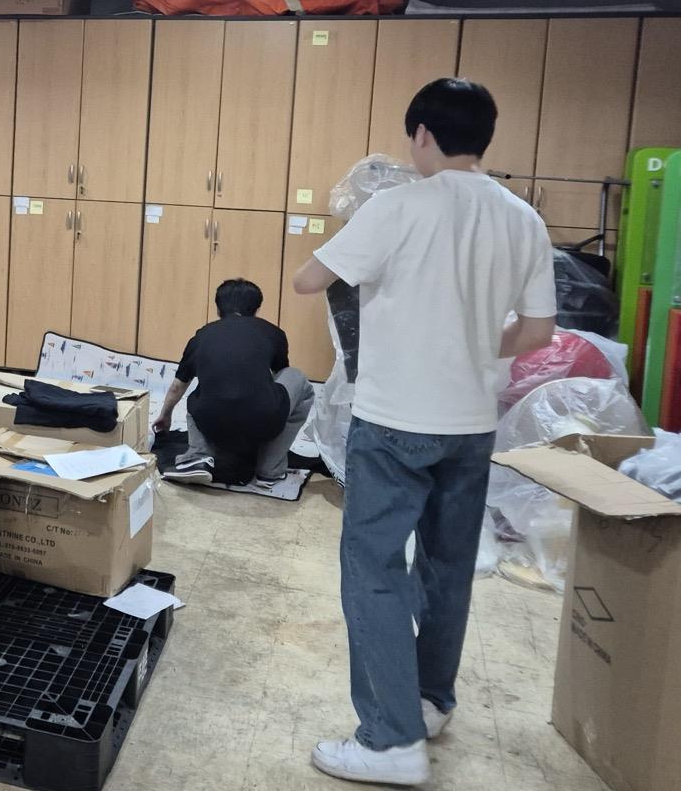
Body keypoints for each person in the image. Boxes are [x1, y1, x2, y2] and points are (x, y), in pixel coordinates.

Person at [292, 78, 556, 786]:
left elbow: (308, 280)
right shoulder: (523, 219)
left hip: (395, 421)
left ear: (422, 135)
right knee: (446, 566)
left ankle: (389, 742)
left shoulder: (397, 205)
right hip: (472, 425)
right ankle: (430, 704)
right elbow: (538, 331)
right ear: (484, 137)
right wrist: (473, 344)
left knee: (373, 570)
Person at [152, 278, 314, 487]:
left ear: (218, 309)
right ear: (256, 309)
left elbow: (177, 386)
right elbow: (281, 376)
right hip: (264, 420)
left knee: (198, 393)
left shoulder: (202, 335)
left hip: (211, 421)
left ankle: (197, 456)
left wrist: (165, 415)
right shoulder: (274, 332)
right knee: (295, 376)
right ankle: (270, 469)